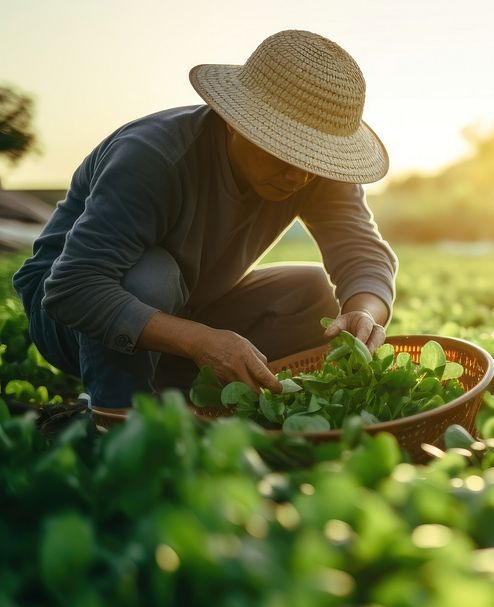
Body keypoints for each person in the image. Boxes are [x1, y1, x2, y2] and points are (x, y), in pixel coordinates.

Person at [12, 29, 398, 409]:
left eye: (311, 160)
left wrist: (363, 313)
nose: (298, 176)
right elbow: (73, 289)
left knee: (314, 290)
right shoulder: (153, 157)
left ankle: (183, 394)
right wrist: (199, 341)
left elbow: (362, 252)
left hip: (192, 303)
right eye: (284, 152)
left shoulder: (314, 167)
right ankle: (117, 416)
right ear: (235, 120)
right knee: (153, 275)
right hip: (67, 315)